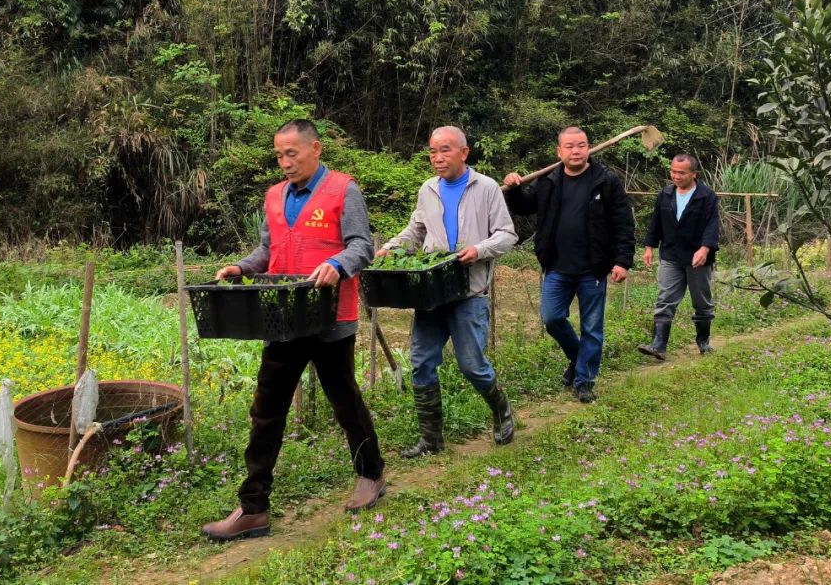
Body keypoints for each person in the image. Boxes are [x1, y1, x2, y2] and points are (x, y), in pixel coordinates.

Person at [202, 119, 385, 541]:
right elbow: (269, 250)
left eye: (292, 154)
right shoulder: (273, 196)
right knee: (266, 411)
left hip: (331, 318)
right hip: (283, 318)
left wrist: (337, 265)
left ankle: (370, 475)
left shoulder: (343, 189)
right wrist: (243, 266)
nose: (284, 163)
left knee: (344, 401)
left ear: (315, 149)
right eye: (279, 155)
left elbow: (362, 245)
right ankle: (253, 508)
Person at [379, 126, 518, 457]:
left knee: (472, 364)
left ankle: (502, 411)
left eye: (445, 150)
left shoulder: (485, 188)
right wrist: (390, 247)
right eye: (432, 152)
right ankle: (431, 439)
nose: (437, 158)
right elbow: (415, 230)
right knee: (422, 361)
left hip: (470, 290)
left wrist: (479, 249)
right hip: (432, 290)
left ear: (464, 152)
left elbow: (507, 234)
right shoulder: (428, 189)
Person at [502, 126, 635, 403]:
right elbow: (525, 206)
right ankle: (578, 359)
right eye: (570, 147)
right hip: (557, 267)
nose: (576, 151)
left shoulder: (605, 180)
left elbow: (623, 223)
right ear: (559, 151)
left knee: (592, 328)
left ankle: (584, 380)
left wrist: (622, 261)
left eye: (582, 145)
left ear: (589, 148)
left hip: (593, 268)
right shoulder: (549, 180)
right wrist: (514, 189)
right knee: (552, 319)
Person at [638, 154, 720, 359]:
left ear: (694, 174)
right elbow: (655, 222)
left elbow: (712, 225)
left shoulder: (706, 196)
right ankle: (658, 345)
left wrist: (705, 248)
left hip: (698, 257)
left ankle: (703, 342)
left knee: (701, 302)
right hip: (671, 255)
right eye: (673, 171)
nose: (676, 176)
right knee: (665, 298)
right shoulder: (665, 194)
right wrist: (649, 246)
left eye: (681, 172)